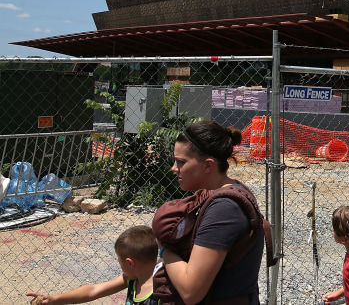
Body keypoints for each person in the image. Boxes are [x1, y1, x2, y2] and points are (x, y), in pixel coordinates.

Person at [161, 120, 264, 304]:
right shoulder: (235, 189)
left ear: (208, 165)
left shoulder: (224, 208)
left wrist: (162, 250)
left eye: (181, 162)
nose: (174, 168)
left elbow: (191, 291)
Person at [26, 225, 159, 305]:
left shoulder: (163, 289)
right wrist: (54, 299)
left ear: (130, 263)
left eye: (120, 262)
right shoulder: (131, 279)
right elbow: (93, 291)